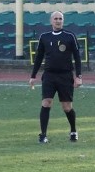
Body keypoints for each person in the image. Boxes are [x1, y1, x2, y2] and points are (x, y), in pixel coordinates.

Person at [29, 11, 82, 143]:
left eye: (60, 19)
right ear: (51, 21)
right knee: (46, 102)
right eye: (56, 19)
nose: (58, 21)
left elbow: (77, 57)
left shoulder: (70, 36)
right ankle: (43, 135)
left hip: (65, 76)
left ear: (63, 21)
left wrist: (78, 76)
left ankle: (73, 131)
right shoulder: (44, 37)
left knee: (67, 107)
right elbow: (39, 57)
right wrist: (33, 75)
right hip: (49, 75)